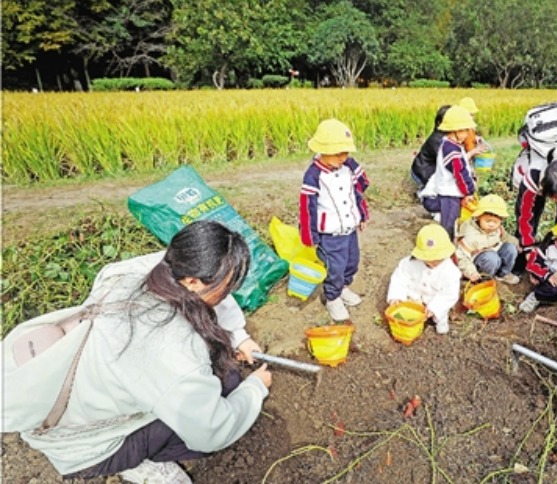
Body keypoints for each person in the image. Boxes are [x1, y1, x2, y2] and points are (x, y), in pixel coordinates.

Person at [20, 221, 271, 483]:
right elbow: (211, 431)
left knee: (220, 378)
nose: (228, 292)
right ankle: (133, 463)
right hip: (84, 447)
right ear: (193, 281)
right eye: (227, 285)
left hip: (59, 400)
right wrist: (255, 388)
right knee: (228, 388)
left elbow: (212, 295)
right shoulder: (171, 349)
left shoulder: (136, 271)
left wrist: (239, 337)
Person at [299, 119, 370, 321]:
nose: (344, 157)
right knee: (335, 267)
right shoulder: (313, 175)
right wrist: (309, 235)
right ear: (322, 150)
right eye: (339, 153)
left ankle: (343, 287)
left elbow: (358, 191)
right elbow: (306, 206)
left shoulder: (347, 168)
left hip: (349, 229)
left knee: (351, 263)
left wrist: (362, 215)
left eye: (346, 153)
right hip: (329, 234)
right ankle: (332, 297)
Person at [387, 224, 461, 335]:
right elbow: (399, 279)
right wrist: (396, 296)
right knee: (404, 314)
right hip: (413, 297)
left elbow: (449, 294)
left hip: (433, 298)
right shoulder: (408, 263)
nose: (432, 262)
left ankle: (440, 321)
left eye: (437, 260)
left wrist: (434, 308)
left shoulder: (451, 271)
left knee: (440, 317)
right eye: (427, 259)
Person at [419, 105, 478, 240]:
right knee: (450, 226)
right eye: (465, 130)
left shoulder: (449, 145)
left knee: (451, 223)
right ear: (455, 131)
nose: (468, 134)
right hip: (449, 195)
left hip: (450, 193)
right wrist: (469, 191)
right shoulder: (452, 150)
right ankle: (447, 249)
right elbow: (459, 173)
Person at [454, 194, 520, 284]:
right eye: (488, 221)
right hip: (477, 260)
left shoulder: (498, 229)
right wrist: (471, 272)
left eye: (496, 222)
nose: (492, 224)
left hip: (493, 253)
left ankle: (502, 275)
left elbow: (505, 237)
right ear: (478, 217)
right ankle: (485, 279)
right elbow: (461, 256)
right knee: (491, 258)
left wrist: (517, 244)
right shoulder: (470, 234)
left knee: (510, 248)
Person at [411, 105, 451, 190]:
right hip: (423, 172)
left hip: (430, 169)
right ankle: (423, 191)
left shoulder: (447, 136)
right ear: (439, 122)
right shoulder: (437, 140)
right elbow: (449, 161)